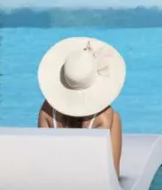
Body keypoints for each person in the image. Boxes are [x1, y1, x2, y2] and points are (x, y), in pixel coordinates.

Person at [37, 37, 125, 174]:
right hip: (91, 184)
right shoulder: (104, 116)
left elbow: (44, 159)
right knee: (116, 118)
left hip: (55, 180)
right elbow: (111, 174)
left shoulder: (46, 111)